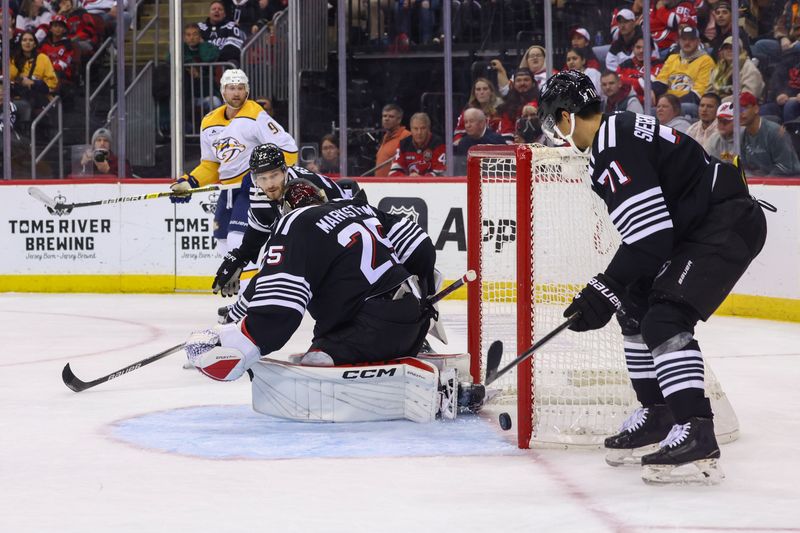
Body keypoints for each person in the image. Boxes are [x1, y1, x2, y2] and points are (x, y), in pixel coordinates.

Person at [537, 70, 767, 485]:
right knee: (633, 305)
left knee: (664, 318)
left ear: (567, 115)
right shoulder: (615, 134)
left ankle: (696, 428)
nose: (556, 131)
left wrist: (603, 287)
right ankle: (659, 414)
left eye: (555, 120)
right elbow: (650, 235)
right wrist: (613, 289)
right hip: (700, 224)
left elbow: (651, 235)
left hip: (724, 223)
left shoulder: (612, 143)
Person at [185, 179, 484, 422]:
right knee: (334, 337)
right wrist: (426, 295)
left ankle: (429, 394)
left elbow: (280, 308)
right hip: (414, 320)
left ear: (287, 209)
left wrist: (241, 344)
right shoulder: (359, 209)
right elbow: (420, 247)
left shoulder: (295, 224)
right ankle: (412, 351)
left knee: (315, 361)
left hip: (369, 329)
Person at [170, 69, 298, 280]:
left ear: (247, 91)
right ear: (223, 92)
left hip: (252, 191)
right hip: (228, 190)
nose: (236, 93)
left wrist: (261, 175)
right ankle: (241, 298)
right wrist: (189, 181)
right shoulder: (209, 121)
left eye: (240, 88)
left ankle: (249, 303)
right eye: (231, 88)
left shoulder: (256, 115)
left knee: (238, 242)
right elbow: (211, 164)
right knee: (222, 241)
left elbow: (289, 151)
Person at [210, 143, 349, 298]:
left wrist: (250, 300)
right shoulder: (259, 192)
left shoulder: (302, 191)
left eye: (274, 175)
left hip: (347, 228)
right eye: (262, 178)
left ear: (285, 171)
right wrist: (240, 256)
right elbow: (257, 234)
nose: (269, 184)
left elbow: (302, 249)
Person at [654, 26, 716, 117]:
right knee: (650, 110)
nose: (687, 42)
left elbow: (699, 92)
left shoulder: (706, 61)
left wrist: (673, 105)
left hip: (690, 104)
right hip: (669, 103)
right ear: (679, 41)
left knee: (684, 107)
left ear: (698, 41)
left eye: (691, 39)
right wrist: (652, 91)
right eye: (684, 39)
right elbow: (661, 81)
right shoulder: (672, 58)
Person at [739, 91, 800, 176]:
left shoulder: (775, 132)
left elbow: (785, 167)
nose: (739, 113)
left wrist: (762, 182)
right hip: (760, 184)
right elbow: (745, 167)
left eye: (743, 108)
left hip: (788, 183)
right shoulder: (742, 136)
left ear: (756, 109)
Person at [7, 31, 59, 126]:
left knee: (26, 104)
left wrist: (33, 83)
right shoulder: (14, 59)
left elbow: (52, 83)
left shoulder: (43, 58)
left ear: (35, 44)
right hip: (18, 94)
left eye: (30, 40)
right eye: (24, 40)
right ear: (20, 43)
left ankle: (25, 129)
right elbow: (10, 77)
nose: (27, 42)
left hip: (39, 95)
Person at [389, 112, 446, 176]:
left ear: (428, 129)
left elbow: (440, 172)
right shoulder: (403, 144)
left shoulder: (438, 143)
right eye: (415, 129)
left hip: (431, 185)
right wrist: (408, 179)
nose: (419, 132)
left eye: (423, 128)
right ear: (411, 129)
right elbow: (394, 172)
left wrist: (421, 179)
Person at [454, 78, 508, 143]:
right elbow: (459, 132)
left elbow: (504, 133)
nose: (481, 92)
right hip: (471, 143)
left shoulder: (501, 109)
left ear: (491, 92)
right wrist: (460, 141)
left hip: (494, 144)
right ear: (474, 93)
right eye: (478, 89)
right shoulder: (468, 110)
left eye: (485, 89)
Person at [709, 36, 764, 101]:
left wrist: (723, 101)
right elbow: (709, 90)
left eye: (733, 48)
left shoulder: (749, 68)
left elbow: (750, 95)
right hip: (717, 104)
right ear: (722, 51)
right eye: (726, 48)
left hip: (742, 107)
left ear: (740, 50)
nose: (729, 50)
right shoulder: (718, 69)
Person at [453, 108, 506, 174]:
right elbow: (460, 170)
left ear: (481, 123)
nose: (468, 125)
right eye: (466, 122)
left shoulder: (496, 141)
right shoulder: (463, 143)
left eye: (471, 121)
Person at [617, 35, 663, 106]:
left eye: (645, 48)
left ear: (652, 48)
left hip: (648, 107)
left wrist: (626, 81)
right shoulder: (624, 65)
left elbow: (649, 85)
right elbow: (617, 85)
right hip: (626, 104)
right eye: (638, 47)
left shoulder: (659, 64)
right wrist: (640, 82)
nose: (641, 51)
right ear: (633, 48)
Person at [760, 49, 800, 124]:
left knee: (790, 105)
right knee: (764, 109)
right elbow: (777, 79)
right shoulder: (791, 59)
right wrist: (780, 93)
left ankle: (789, 134)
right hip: (784, 99)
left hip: (795, 103)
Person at [374, 103, 411, 176]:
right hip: (380, 185)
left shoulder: (406, 136)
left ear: (399, 120)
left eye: (391, 116)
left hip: (396, 185)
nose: (386, 119)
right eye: (384, 116)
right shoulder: (386, 137)